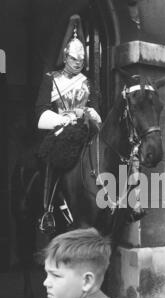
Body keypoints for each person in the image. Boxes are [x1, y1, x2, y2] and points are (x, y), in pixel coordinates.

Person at [36, 15, 101, 234]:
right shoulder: (51, 78)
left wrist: (90, 113)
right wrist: (63, 119)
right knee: (51, 161)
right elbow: (40, 112)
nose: (78, 64)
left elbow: (95, 108)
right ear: (66, 57)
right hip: (61, 130)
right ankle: (48, 211)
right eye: (74, 60)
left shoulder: (87, 82)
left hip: (85, 129)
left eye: (81, 61)